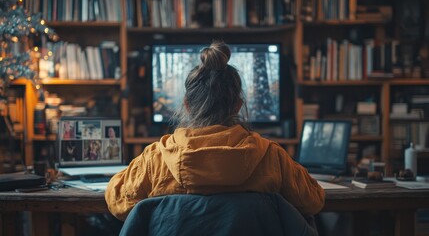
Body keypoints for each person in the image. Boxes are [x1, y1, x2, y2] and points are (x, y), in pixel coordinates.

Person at [105, 41, 325, 221]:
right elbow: (313, 201)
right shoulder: (271, 156)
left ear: (187, 105)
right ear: (238, 106)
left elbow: (118, 202)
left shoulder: (155, 159)